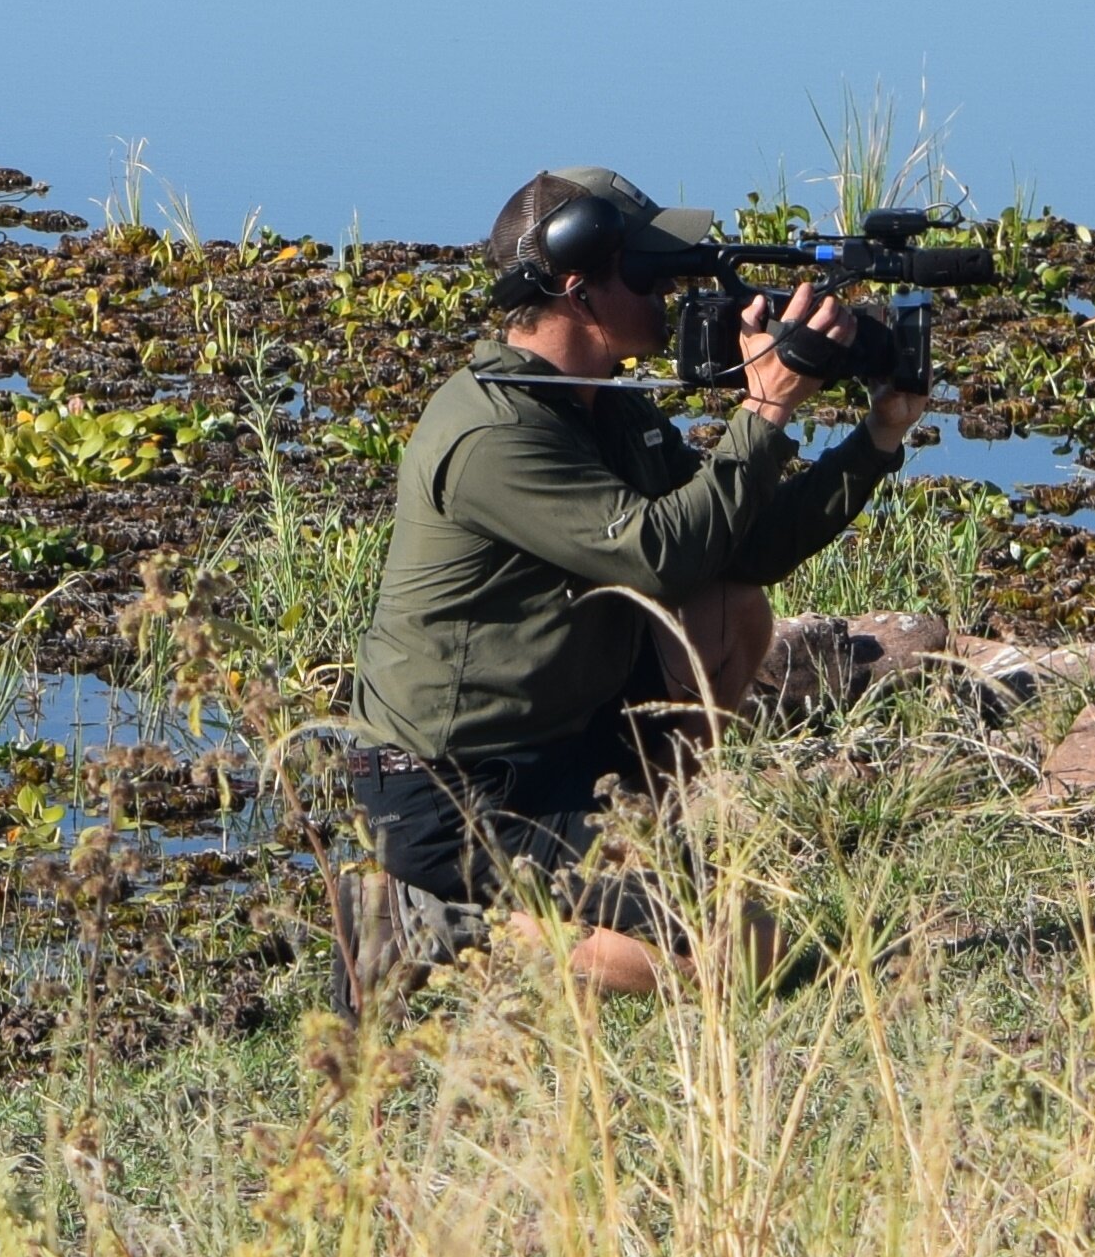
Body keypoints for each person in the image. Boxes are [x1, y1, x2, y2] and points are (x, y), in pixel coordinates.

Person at [334, 165, 925, 999]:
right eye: (650, 274)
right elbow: (657, 555)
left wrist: (877, 438)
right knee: (737, 964)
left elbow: (740, 550)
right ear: (579, 289)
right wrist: (765, 414)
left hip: (565, 746)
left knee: (729, 609)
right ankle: (442, 922)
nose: (674, 292)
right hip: (453, 790)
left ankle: (632, 846)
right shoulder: (490, 431)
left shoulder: (607, 404)